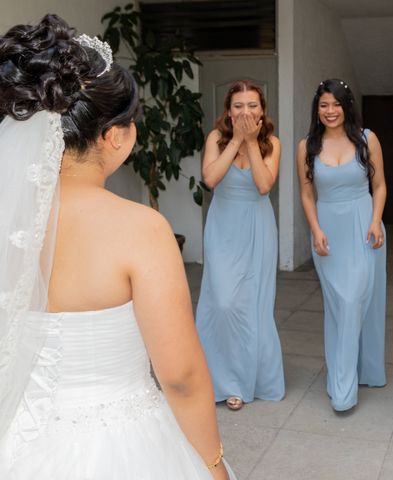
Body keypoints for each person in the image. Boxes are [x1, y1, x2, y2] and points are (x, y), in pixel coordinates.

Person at [0, 15, 234, 478]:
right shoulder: (140, 227)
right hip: (119, 449)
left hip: (20, 436)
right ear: (114, 135)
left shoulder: (9, 220)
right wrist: (211, 463)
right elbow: (181, 377)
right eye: (132, 122)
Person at [297, 78, 387, 412]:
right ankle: (342, 373)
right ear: (316, 109)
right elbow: (307, 193)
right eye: (324, 105)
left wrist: (376, 220)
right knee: (338, 307)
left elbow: (379, 186)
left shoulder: (367, 139)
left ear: (346, 105)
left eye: (336, 104)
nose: (330, 111)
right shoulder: (307, 146)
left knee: (353, 302)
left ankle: (344, 388)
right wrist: (315, 228)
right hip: (328, 233)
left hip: (364, 228)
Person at [197, 80, 284, 411]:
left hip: (257, 227)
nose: (245, 111)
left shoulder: (272, 143)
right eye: (238, 106)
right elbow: (210, 179)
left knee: (253, 305)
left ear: (262, 109)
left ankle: (245, 380)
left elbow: (264, 186)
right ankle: (218, 377)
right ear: (228, 110)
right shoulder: (215, 139)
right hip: (223, 227)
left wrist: (251, 144)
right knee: (221, 302)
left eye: (251, 105)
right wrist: (237, 140)